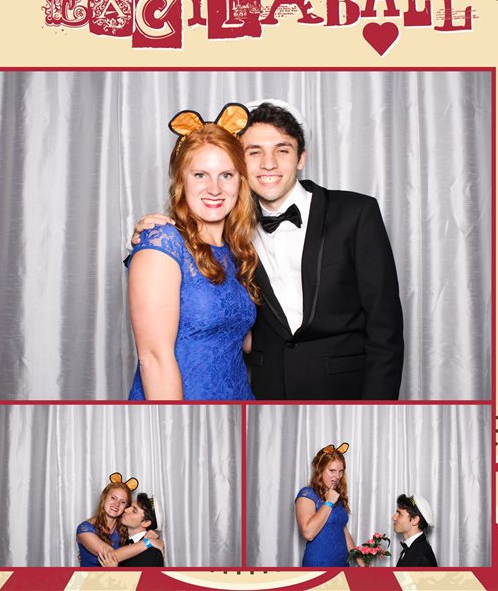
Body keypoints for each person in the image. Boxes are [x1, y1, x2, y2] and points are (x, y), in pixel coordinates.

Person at [132, 99, 403, 400]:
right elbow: (158, 345)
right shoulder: (222, 233)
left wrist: (378, 409)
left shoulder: (353, 213)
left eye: (282, 150)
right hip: (261, 395)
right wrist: (150, 244)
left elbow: (385, 329)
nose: (269, 164)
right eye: (255, 152)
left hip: (339, 393)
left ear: (301, 158)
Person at [127, 103, 259, 400]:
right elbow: (154, 359)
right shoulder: (162, 243)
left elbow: (243, 339)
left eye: (226, 175)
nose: (214, 188)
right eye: (200, 175)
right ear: (181, 181)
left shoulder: (237, 251)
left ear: (240, 182)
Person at [295, 443, 363, 567]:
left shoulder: (337, 495)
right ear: (319, 468)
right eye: (332, 470)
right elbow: (308, 533)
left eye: (341, 471)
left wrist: (359, 559)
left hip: (343, 563)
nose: (337, 476)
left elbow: (344, 531)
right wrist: (329, 502)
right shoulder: (307, 494)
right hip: (318, 565)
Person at [76, 474, 163, 567]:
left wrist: (153, 532)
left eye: (123, 502)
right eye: (113, 498)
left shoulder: (123, 528)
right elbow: (110, 556)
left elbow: (138, 531)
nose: (116, 504)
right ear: (104, 498)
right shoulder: (84, 529)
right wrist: (148, 542)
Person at [98, 492, 164, 567]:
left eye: (134, 511)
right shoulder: (121, 539)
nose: (126, 510)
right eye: (130, 506)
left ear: (145, 523)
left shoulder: (151, 553)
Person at [393, 493, 438, 567]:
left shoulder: (421, 555)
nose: (394, 518)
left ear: (415, 520)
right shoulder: (412, 548)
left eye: (399, 514)